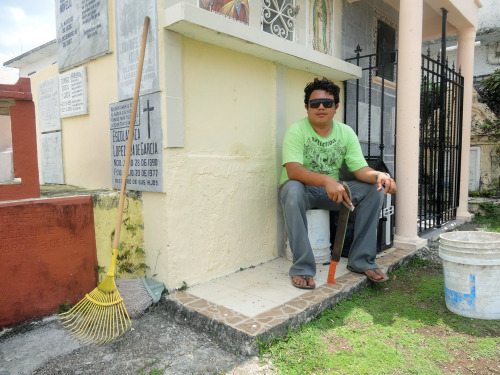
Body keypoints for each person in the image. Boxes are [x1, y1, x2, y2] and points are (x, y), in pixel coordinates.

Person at [279, 77, 397, 289]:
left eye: (328, 103)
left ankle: (361, 260)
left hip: (332, 192)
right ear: (306, 107)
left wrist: (378, 175)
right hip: (302, 191)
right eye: (315, 104)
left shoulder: (345, 132)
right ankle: (303, 268)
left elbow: (360, 169)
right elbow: (293, 170)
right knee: (292, 189)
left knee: (373, 190)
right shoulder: (297, 130)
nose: (321, 107)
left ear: (336, 107)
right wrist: (326, 181)